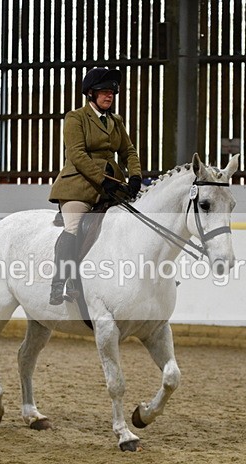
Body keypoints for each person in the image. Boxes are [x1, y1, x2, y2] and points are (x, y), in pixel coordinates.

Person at [48, 67, 143, 306]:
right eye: (103, 92)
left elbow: (128, 151)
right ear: (90, 94)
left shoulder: (115, 121)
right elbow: (77, 155)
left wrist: (135, 177)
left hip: (110, 185)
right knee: (73, 227)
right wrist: (102, 180)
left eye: (112, 92)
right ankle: (61, 282)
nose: (109, 96)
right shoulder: (76, 118)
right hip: (79, 184)